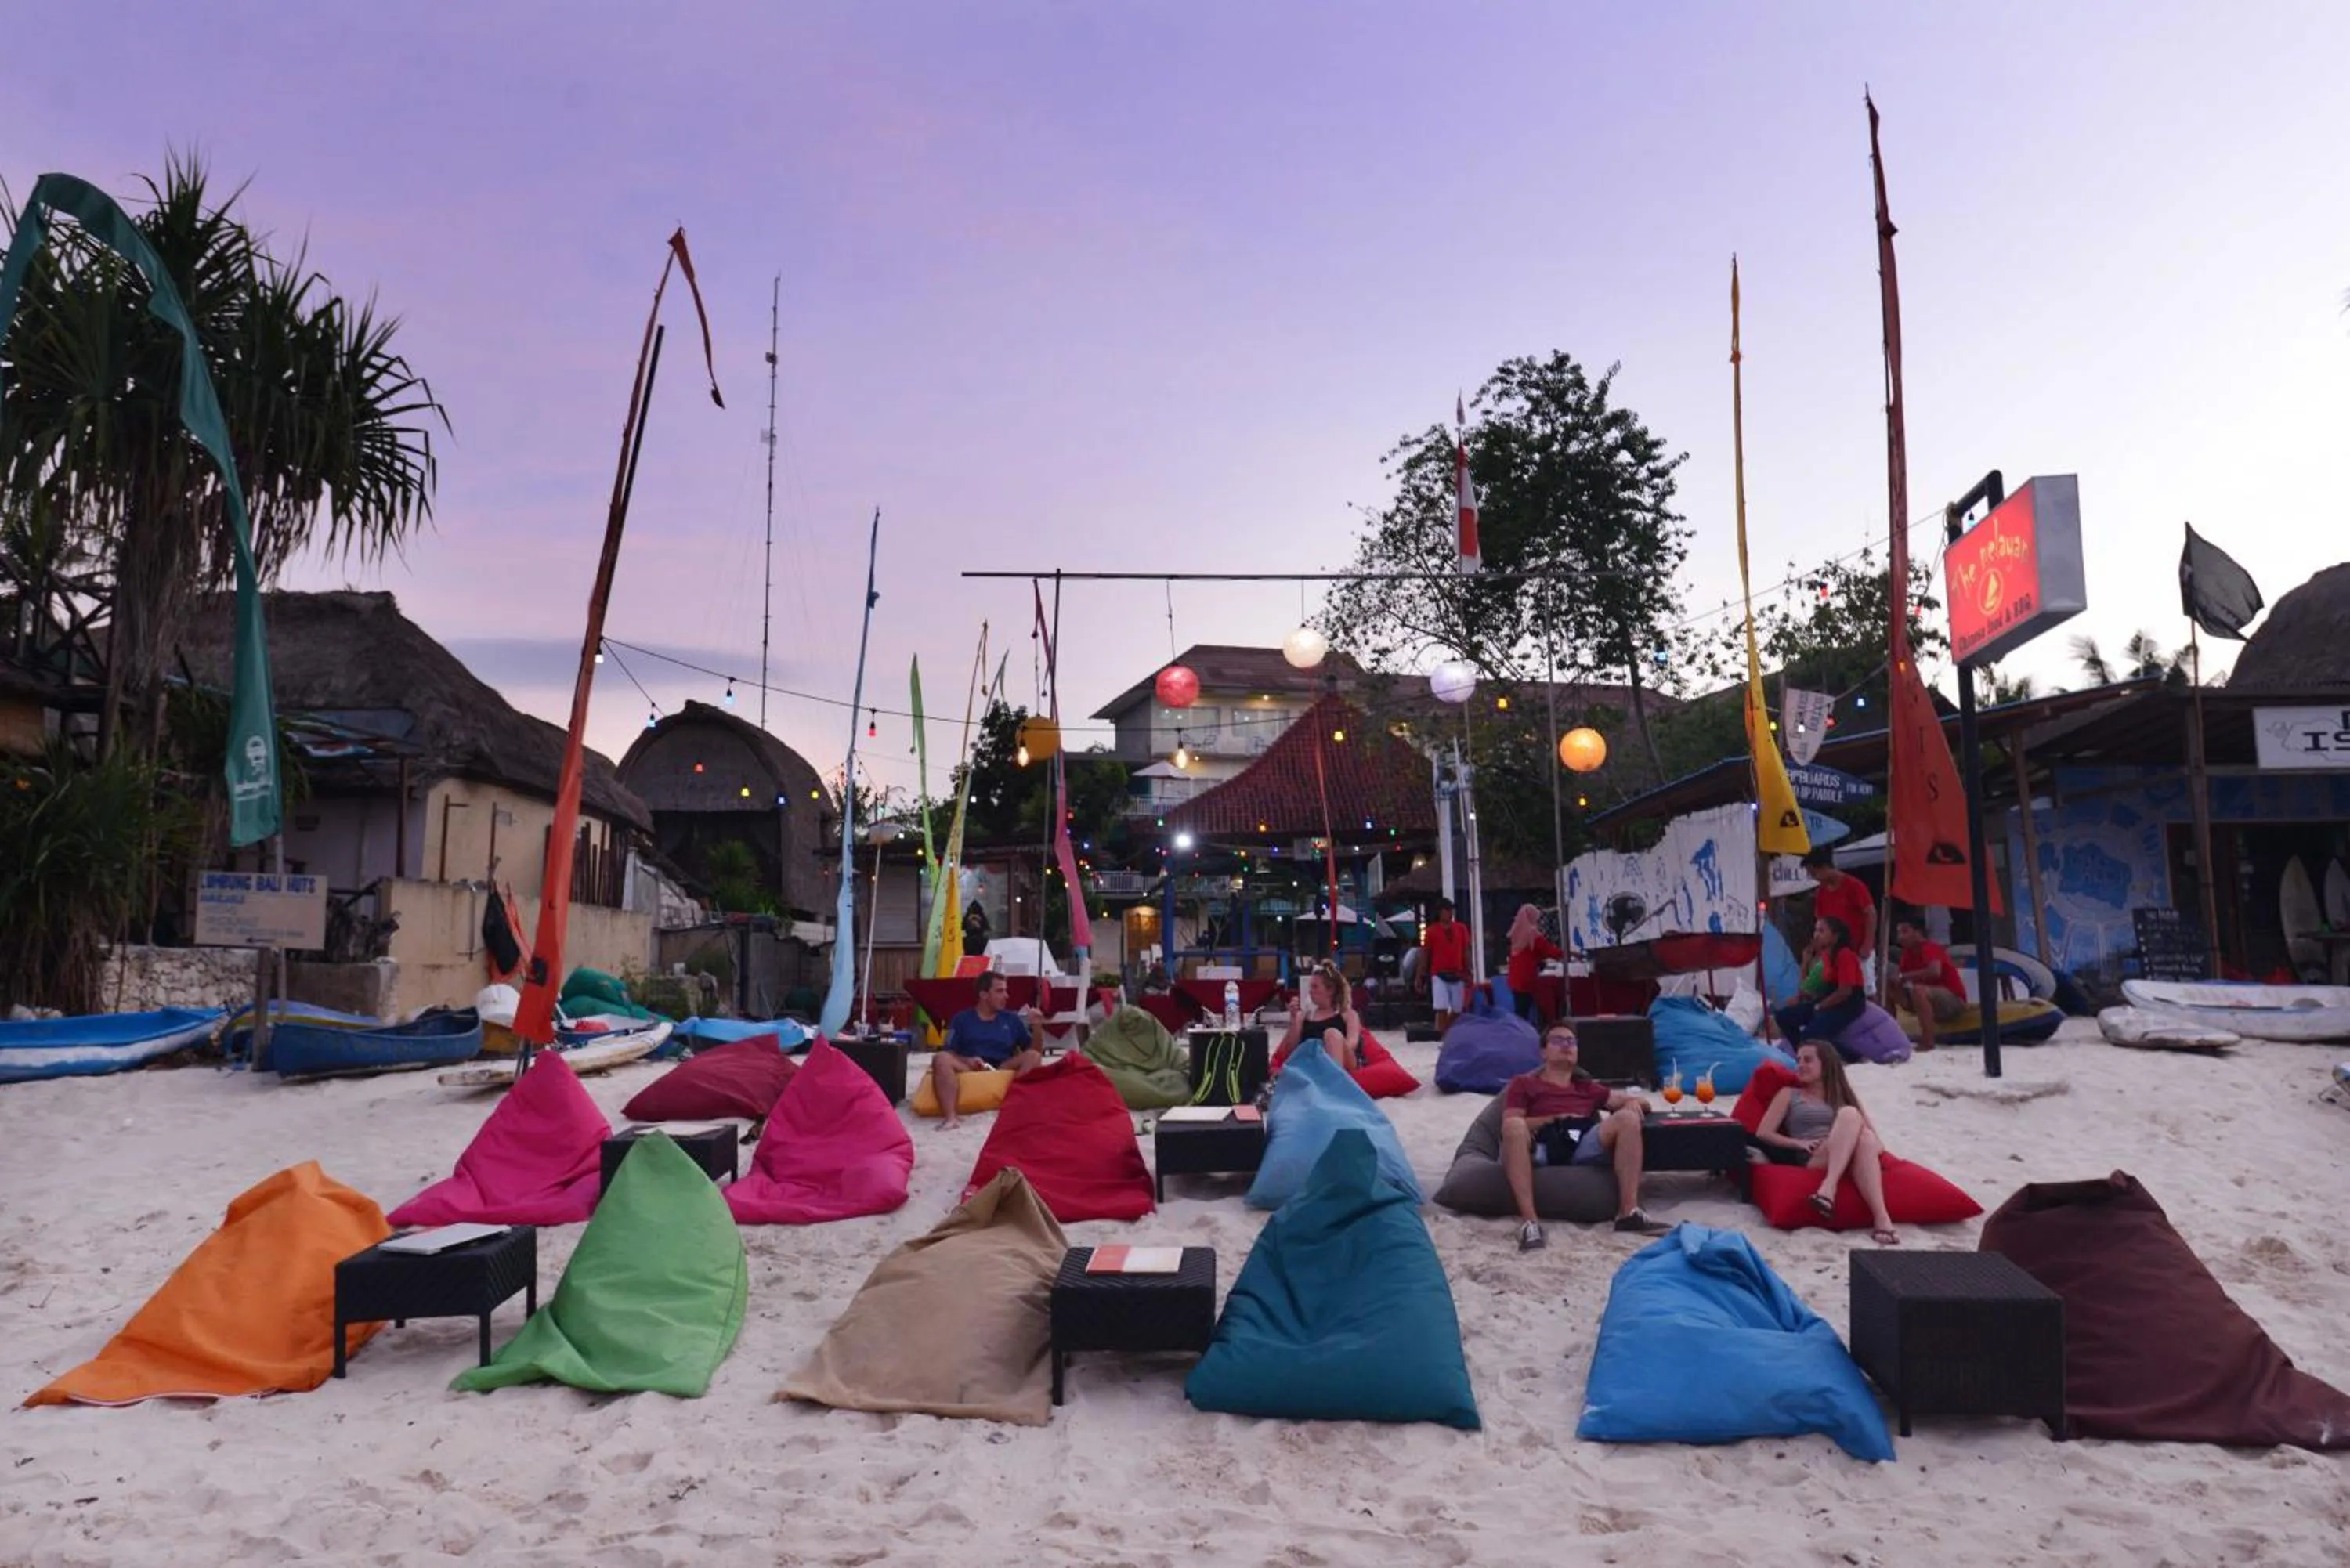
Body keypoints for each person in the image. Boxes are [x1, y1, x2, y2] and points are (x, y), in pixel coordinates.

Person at [1499, 1022, 1671, 1248]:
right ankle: (1530, 1223)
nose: (1566, 1046)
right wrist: (1556, 1119)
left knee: (1628, 1118)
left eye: (1571, 1042)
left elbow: (1641, 1104)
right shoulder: (1525, 1083)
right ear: (1543, 1051)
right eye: (1558, 1041)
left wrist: (1632, 1102)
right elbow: (1511, 1123)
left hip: (1581, 1143)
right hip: (1543, 1144)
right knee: (1513, 1126)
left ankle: (1628, 1213)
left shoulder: (1587, 1088)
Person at [1751, 1040, 1900, 1245]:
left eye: (1808, 1060)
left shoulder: (1843, 1096)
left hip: (1847, 1153)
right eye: (1798, 1060)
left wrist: (1857, 1144)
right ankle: (1834, 1190)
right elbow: (1763, 1132)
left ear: (1826, 1064)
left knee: (1861, 1131)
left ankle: (1875, 1213)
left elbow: (1878, 1144)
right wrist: (1797, 1143)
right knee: (1850, 1115)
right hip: (1815, 1156)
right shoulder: (1789, 1094)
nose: (1800, 1065)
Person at [929, 970, 1043, 1129]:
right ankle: (951, 1117)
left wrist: (1037, 1027)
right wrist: (966, 1060)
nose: (1006, 996)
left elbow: (1035, 1051)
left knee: (1034, 1056)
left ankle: (1014, 1108)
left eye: (1006, 990)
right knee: (940, 1058)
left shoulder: (1012, 1019)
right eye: (1000, 991)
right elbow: (949, 1051)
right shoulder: (962, 1019)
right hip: (970, 1067)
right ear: (983, 995)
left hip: (1002, 1067)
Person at [1773, 916, 1866, 1051]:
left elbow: (1845, 991)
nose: (1816, 935)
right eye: (1816, 930)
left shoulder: (1845, 955)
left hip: (1847, 1004)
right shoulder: (1826, 957)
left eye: (1822, 931)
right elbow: (1806, 988)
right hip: (1829, 999)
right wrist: (1805, 962)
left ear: (1835, 937)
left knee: (1811, 1035)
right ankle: (1801, 1051)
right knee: (1783, 1017)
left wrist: (1820, 1006)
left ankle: (1848, 1055)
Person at [1802, 847, 1877, 995]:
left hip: (1858, 948)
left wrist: (1867, 943)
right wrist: (1818, 944)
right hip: (1834, 953)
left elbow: (1871, 913)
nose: (1814, 878)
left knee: (1866, 991)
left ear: (1824, 868)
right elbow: (1821, 921)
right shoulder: (1822, 892)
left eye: (1814, 873)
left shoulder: (1854, 886)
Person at [1893, 912, 1965, 1051]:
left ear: (1918, 932)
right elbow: (1901, 978)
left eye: (1905, 932)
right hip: (1925, 998)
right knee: (1888, 986)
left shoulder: (1931, 948)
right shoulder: (1907, 954)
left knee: (1919, 990)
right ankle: (1891, 1036)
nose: (1900, 937)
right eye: (1899, 933)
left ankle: (1928, 1041)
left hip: (1953, 1001)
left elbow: (1934, 972)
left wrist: (1904, 977)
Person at [1279, 959, 1363, 1074]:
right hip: (1312, 1061)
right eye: (1310, 987)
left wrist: (1324, 1052)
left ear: (1330, 990)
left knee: (1332, 1034)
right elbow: (1289, 1050)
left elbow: (1352, 1045)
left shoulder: (1348, 1014)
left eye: (1315, 987)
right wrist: (1293, 1019)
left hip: (1344, 1060)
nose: (1310, 991)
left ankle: (1333, 1083)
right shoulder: (1303, 1016)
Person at [1504, 903, 1563, 1025]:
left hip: (1515, 977)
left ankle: (1520, 1033)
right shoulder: (1532, 934)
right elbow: (1549, 950)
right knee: (1531, 1009)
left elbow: (1530, 952)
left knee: (1520, 1010)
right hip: (1527, 977)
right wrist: (1568, 953)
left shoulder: (1516, 932)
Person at [1420, 898, 1471, 1032]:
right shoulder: (1431, 931)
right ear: (1440, 912)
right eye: (1447, 910)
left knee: (1457, 1009)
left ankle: (1445, 1031)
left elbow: (1465, 952)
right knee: (1441, 1008)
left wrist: (1469, 970)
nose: (1450, 913)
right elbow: (1425, 954)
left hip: (1458, 973)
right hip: (1439, 973)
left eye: (1451, 910)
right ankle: (1442, 1035)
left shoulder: (1461, 929)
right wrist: (1420, 975)